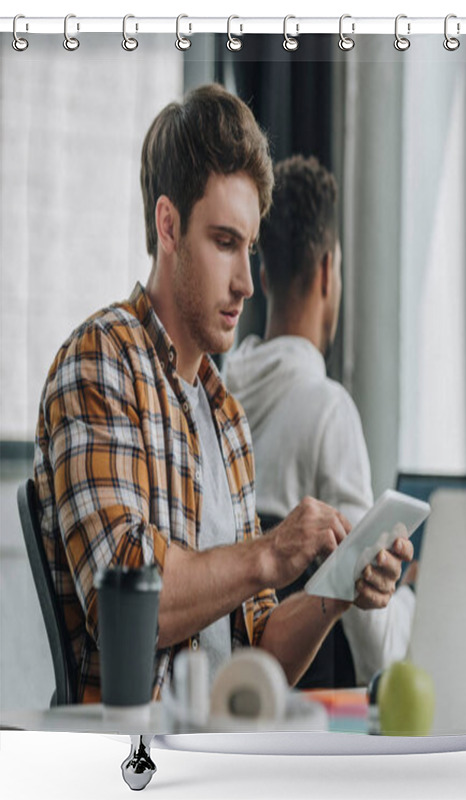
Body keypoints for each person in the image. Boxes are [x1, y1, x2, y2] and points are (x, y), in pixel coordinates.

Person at [33, 84, 412, 704]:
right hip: (139, 760)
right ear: (168, 225)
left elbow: (256, 652)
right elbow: (124, 599)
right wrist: (268, 553)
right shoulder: (102, 361)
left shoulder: (226, 418)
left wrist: (336, 589)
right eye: (224, 242)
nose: (245, 283)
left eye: (250, 248)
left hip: (223, 748)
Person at [224, 155, 416, 687]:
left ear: (261, 277)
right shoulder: (328, 410)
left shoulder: (217, 399)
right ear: (328, 270)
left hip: (229, 690)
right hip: (314, 714)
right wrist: (415, 600)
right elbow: (376, 647)